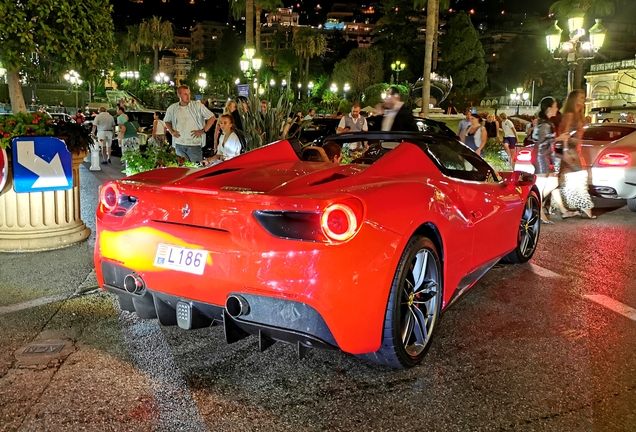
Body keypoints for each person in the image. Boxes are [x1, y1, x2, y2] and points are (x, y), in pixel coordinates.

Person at [532, 97, 576, 223]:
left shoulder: (547, 122)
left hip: (546, 156)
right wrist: (559, 138)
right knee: (540, 187)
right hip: (541, 157)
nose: (557, 109)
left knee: (553, 183)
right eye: (555, 106)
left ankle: (535, 204)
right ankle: (536, 208)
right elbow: (541, 142)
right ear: (549, 108)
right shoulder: (544, 124)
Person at [556, 89, 596, 219]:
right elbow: (565, 135)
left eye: (584, 98)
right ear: (573, 99)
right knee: (579, 176)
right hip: (571, 150)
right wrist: (566, 151)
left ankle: (558, 206)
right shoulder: (570, 115)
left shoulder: (579, 115)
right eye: (580, 98)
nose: (583, 100)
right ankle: (584, 206)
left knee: (564, 179)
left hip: (575, 149)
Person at [164, 85, 216, 163]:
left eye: (189, 94)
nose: (188, 96)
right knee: (182, 169)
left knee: (196, 168)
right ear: (179, 95)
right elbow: (166, 120)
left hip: (194, 144)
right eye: (185, 94)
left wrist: (203, 131)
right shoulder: (172, 108)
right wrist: (171, 131)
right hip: (179, 143)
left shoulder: (197, 106)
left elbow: (212, 117)